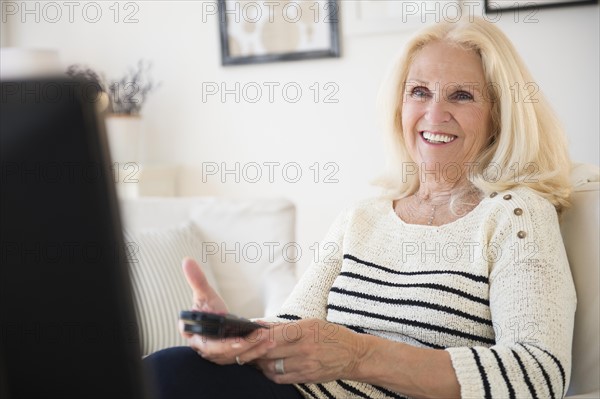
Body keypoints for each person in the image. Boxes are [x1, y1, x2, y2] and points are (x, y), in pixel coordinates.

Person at [144, 16, 576, 399]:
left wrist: (358, 356)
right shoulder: (363, 216)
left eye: (461, 95)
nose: (434, 112)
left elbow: (538, 374)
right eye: (419, 92)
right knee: (167, 368)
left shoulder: (516, 215)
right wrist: (239, 335)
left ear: (498, 116)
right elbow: (294, 326)